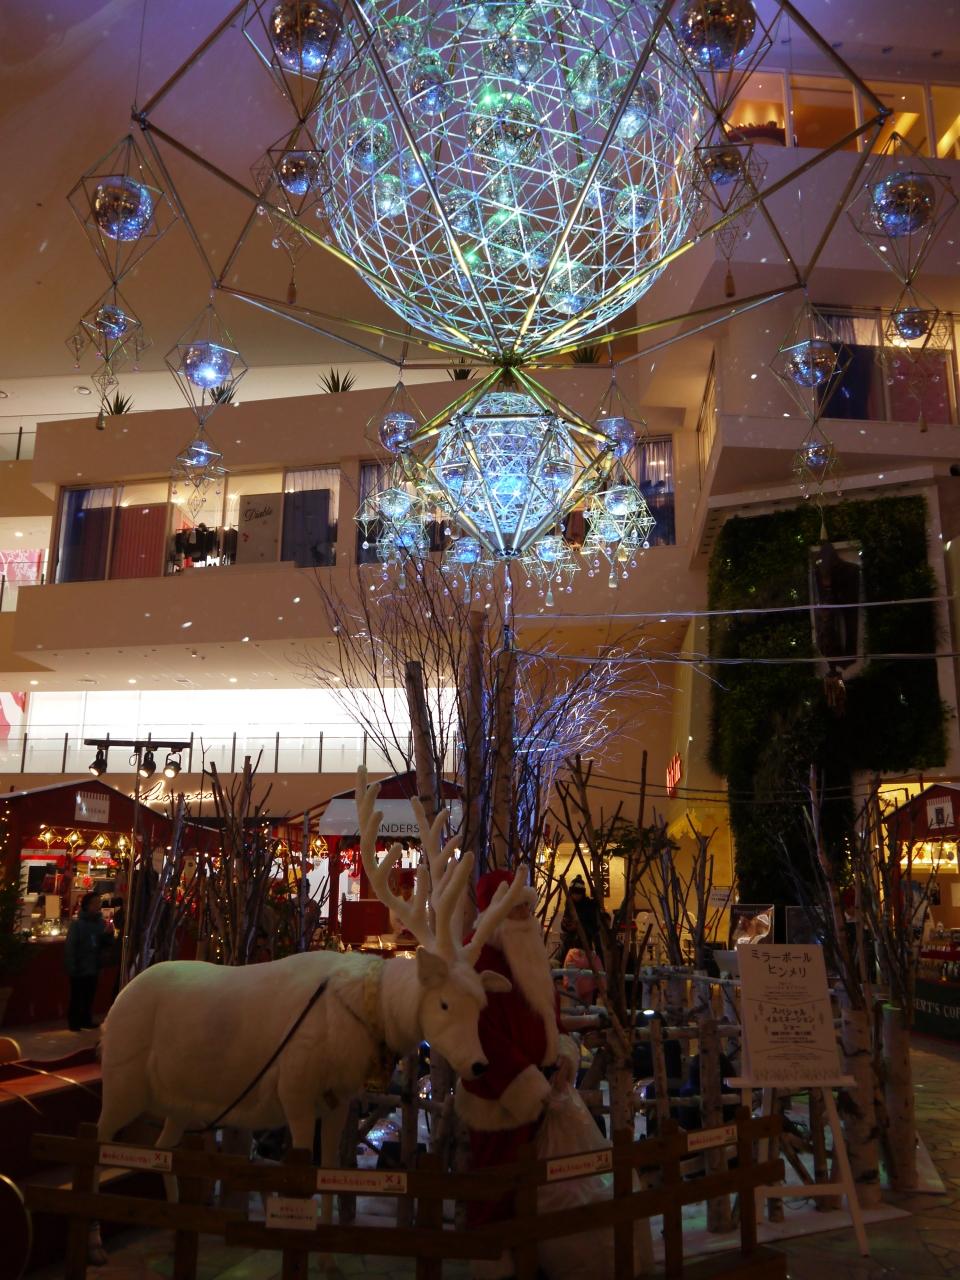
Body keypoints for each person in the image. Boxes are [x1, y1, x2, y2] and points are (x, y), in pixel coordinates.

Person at [456, 869, 579, 1277]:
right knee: (496, 1181)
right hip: (499, 1095)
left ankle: (529, 1256)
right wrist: (523, 1081)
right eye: (516, 908)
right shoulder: (476, 959)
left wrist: (563, 1054)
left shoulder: (532, 957)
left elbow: (550, 1017)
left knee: (532, 1184)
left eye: (527, 907)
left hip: (542, 1090)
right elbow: (479, 1033)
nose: (525, 916)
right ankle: (492, 1261)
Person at [64, 892, 108, 1031]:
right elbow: (71, 946)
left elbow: (103, 944)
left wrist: (108, 936)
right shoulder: (77, 924)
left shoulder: (100, 923)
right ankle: (74, 1021)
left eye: (99, 903)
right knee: (77, 995)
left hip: (93, 965)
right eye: (95, 903)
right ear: (87, 905)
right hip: (80, 965)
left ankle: (85, 1019)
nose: (98, 906)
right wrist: (72, 966)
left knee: (89, 995)